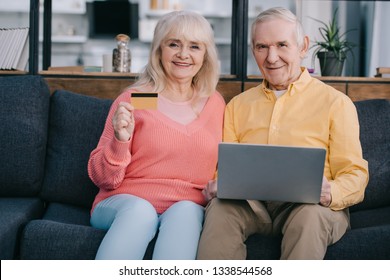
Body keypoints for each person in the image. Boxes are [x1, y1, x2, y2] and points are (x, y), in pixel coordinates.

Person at [197, 7, 369, 260]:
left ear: (303, 46)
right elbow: (226, 167)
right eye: (261, 47)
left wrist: (331, 191)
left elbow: (355, 173)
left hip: (311, 207)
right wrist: (218, 184)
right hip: (251, 206)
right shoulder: (237, 106)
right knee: (221, 209)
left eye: (281, 45)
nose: (271, 57)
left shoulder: (336, 103)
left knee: (309, 217)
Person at [88, 10, 225, 260]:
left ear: (205, 55)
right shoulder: (141, 98)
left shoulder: (214, 104)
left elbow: (224, 164)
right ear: (159, 50)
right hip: (125, 202)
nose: (184, 54)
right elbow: (102, 177)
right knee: (141, 212)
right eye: (174, 44)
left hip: (187, 205)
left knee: (187, 212)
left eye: (194, 46)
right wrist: (120, 140)